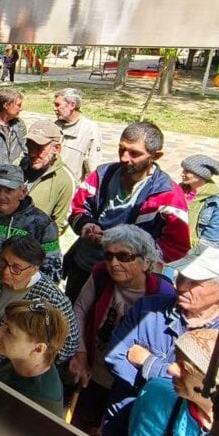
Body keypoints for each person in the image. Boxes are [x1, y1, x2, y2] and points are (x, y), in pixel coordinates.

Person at [101, 245, 219, 436]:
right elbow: (115, 357)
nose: (181, 286)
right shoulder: (148, 308)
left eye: (194, 282)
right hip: (124, 421)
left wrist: (150, 364)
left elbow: (214, 395)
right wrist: (184, 382)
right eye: (181, 276)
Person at [67, 226, 176, 436]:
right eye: (109, 255)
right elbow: (79, 310)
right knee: (79, 430)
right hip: (93, 372)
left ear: (146, 262)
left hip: (132, 384)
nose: (114, 263)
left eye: (124, 256)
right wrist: (80, 353)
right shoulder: (100, 274)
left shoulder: (163, 294)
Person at [64, 121, 190, 303]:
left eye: (134, 153)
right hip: (85, 266)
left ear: (155, 155)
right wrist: (86, 225)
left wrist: (131, 252)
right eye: (121, 149)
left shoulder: (167, 194)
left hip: (129, 282)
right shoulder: (101, 175)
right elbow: (77, 208)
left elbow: (177, 246)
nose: (124, 157)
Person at [0, 235, 79, 370]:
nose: (5, 271)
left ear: (34, 269)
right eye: (2, 262)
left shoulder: (54, 300)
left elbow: (68, 346)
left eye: (16, 268)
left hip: (12, 374)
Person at [0, 164, 62, 291]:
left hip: (18, 294)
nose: (0, 196)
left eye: (8, 190)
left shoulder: (42, 225)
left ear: (23, 192)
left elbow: (52, 270)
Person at [0, 300, 70, 416]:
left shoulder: (39, 406)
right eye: (3, 325)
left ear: (38, 348)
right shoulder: (15, 362)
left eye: (9, 331)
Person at [21, 120, 76, 236]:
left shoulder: (64, 180)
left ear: (56, 148)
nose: (32, 153)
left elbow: (59, 225)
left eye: (39, 149)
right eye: (29, 147)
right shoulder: (18, 165)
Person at [180, 154, 219, 250]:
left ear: (200, 175)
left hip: (193, 252)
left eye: (187, 171)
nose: (182, 174)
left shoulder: (216, 202)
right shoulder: (178, 190)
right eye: (183, 170)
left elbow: (212, 240)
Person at [54, 88, 102, 181]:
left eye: (57, 105)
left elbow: (94, 165)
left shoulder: (90, 129)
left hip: (72, 188)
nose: (54, 108)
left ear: (72, 105)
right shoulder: (55, 125)